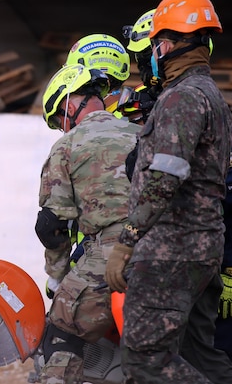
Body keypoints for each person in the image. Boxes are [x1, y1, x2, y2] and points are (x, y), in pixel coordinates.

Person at [120, 10, 232, 384]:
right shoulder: (210, 96)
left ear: (165, 46)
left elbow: (168, 177)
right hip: (203, 248)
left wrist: (128, 240)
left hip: (174, 250)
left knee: (145, 358)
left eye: (152, 49)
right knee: (204, 355)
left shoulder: (181, 99)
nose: (149, 59)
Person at [34, 63, 140, 384]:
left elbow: (53, 225)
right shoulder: (143, 132)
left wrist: (56, 278)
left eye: (58, 120)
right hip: (171, 248)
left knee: (62, 334)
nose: (60, 128)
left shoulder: (67, 146)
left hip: (113, 249)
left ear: (68, 104)